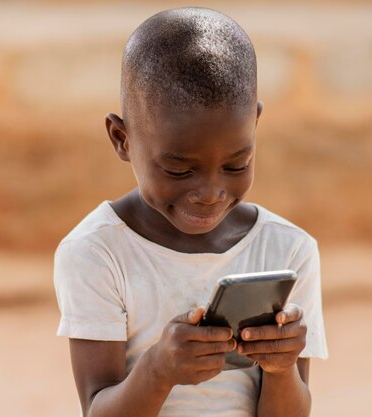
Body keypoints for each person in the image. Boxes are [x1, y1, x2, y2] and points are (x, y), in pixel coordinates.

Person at [53, 7, 328, 417]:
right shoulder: (97, 253)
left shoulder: (288, 251)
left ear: (254, 124)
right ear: (122, 139)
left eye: (236, 165)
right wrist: (158, 371)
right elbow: (98, 409)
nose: (209, 193)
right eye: (179, 170)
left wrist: (281, 368)